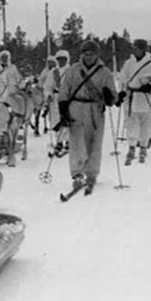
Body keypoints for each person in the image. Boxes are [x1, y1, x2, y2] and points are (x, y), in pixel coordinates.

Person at [58, 40, 117, 194]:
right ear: (81, 54)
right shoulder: (73, 70)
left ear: (96, 55)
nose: (89, 57)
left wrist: (108, 96)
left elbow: (113, 97)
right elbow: (64, 91)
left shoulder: (104, 72)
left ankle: (91, 173)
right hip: (76, 107)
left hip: (95, 109)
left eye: (91, 54)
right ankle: (77, 173)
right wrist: (63, 110)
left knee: (94, 142)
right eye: (86, 54)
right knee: (76, 141)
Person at [118, 39, 151, 165]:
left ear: (143, 49)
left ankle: (143, 147)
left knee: (146, 124)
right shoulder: (129, 63)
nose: (136, 50)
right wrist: (122, 91)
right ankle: (131, 147)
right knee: (131, 123)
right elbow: (123, 78)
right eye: (134, 48)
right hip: (132, 96)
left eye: (138, 48)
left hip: (146, 97)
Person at [48, 49, 71, 156]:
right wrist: (48, 94)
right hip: (56, 97)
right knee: (57, 121)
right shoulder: (53, 72)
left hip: (67, 97)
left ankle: (68, 141)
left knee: (67, 120)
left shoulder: (71, 71)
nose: (61, 61)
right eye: (59, 59)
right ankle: (59, 142)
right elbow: (48, 85)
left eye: (63, 59)